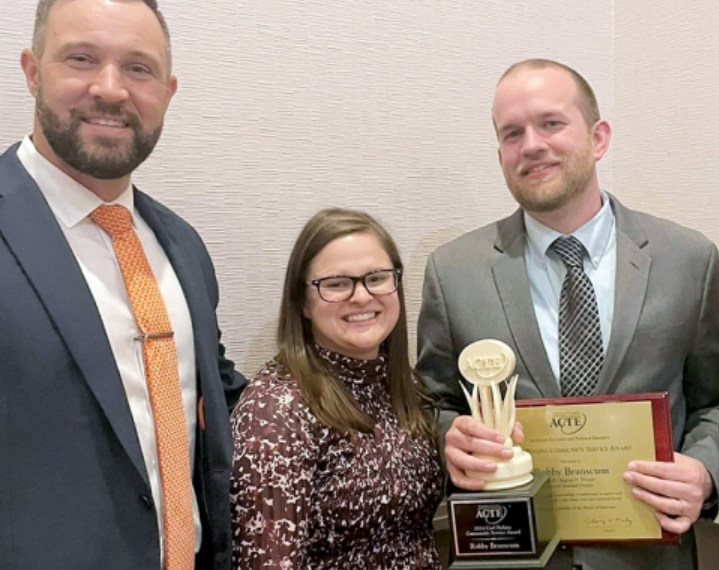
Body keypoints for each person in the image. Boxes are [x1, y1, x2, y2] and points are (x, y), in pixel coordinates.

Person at [416, 58, 719, 570]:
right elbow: (429, 404)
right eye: (511, 133)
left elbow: (718, 403)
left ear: (598, 137)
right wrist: (448, 440)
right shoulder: (452, 272)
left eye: (551, 123)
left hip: (648, 558)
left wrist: (703, 471)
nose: (531, 146)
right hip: (509, 557)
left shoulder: (688, 259)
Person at [0, 1, 246, 569]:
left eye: (138, 68)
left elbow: (216, 390)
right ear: (32, 72)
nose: (111, 89)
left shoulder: (181, 246)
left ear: (168, 89)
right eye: (81, 59)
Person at [231, 208, 444, 569]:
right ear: (303, 303)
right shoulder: (276, 410)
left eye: (376, 278)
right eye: (336, 284)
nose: (361, 297)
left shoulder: (404, 387)